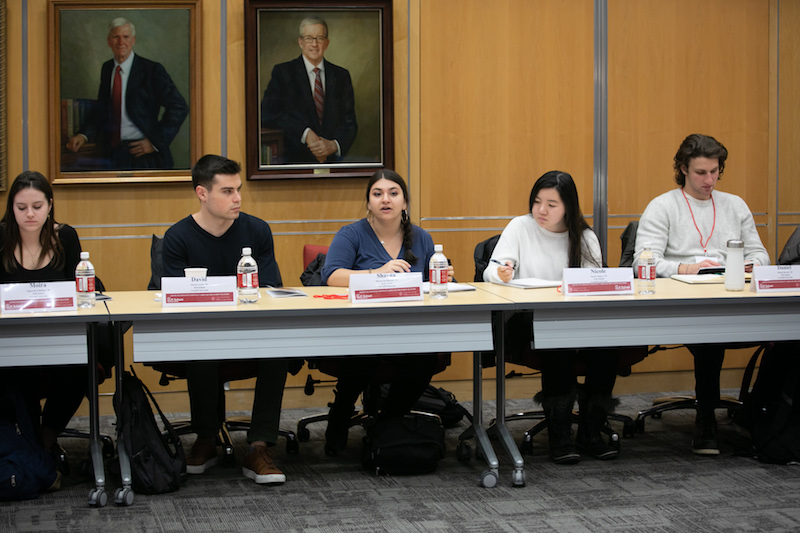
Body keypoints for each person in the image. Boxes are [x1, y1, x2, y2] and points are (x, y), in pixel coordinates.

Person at [634, 133, 770, 455]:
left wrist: (747, 266)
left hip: (732, 294)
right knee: (711, 333)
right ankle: (706, 420)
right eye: (700, 173)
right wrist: (683, 269)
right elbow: (644, 259)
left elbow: (760, 254)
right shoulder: (663, 206)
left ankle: (765, 414)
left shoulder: (735, 206)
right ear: (683, 169)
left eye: (715, 171)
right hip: (683, 300)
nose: (709, 180)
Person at [161, 154, 288, 485]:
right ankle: (206, 438)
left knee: (279, 352)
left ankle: (259, 446)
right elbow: (171, 296)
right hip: (200, 331)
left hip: (252, 328)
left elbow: (269, 287)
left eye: (239, 190)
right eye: (228, 191)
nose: (238, 199)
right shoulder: (178, 237)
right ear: (202, 193)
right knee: (202, 351)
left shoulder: (257, 230)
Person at [483, 171, 620, 464]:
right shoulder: (520, 227)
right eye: (537, 202)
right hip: (528, 322)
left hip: (577, 319)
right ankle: (559, 436)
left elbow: (598, 282)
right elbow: (491, 271)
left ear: (568, 206)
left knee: (609, 346)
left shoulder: (584, 236)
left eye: (551, 204)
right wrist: (501, 272)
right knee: (557, 341)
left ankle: (590, 431)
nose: (541, 211)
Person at [320, 169, 453, 455]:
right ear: (368, 202)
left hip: (410, 329)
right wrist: (376, 272)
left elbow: (431, 282)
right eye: (377, 194)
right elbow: (331, 276)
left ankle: (388, 422)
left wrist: (444, 275)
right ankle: (340, 416)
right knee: (365, 354)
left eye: (393, 193)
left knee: (426, 358)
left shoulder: (420, 237)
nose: (386, 200)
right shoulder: (352, 234)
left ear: (404, 202)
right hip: (362, 327)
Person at [0, 171, 89, 489]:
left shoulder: (65, 237)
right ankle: (27, 442)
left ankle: (44, 439)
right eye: (21, 207)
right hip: (10, 343)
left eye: (37, 206)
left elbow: (82, 292)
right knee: (11, 375)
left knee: (81, 370)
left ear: (50, 205)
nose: (29, 214)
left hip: (60, 341)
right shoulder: (1, 239)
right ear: (11, 208)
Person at [65, 17, 189, 170]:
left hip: (143, 155)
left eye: (126, 37)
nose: (121, 42)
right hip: (111, 154)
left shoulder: (152, 70)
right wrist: (83, 135)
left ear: (133, 40)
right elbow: (102, 109)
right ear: (109, 41)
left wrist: (154, 142)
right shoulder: (107, 68)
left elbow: (179, 107)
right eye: (116, 37)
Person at [261, 16, 357, 164]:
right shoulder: (283, 73)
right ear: (300, 42)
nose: (314, 44)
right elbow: (267, 114)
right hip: (293, 163)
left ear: (327, 43)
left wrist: (334, 145)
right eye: (309, 38)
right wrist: (305, 133)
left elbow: (350, 123)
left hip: (334, 163)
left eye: (319, 38)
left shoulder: (341, 75)